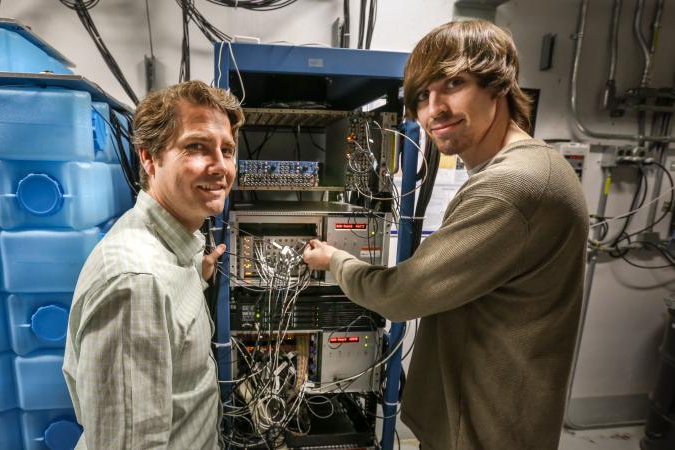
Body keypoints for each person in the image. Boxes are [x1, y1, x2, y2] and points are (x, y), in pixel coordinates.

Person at [304, 20, 589, 450]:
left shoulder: (510, 187)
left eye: (453, 83)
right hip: (487, 416)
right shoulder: (536, 166)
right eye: (422, 96)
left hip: (482, 429)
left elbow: (399, 295)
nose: (433, 108)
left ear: (499, 83)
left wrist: (335, 261)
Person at [63, 80, 244, 449]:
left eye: (227, 149)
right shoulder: (136, 285)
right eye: (196, 146)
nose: (220, 166)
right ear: (149, 157)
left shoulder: (173, 248)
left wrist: (198, 276)